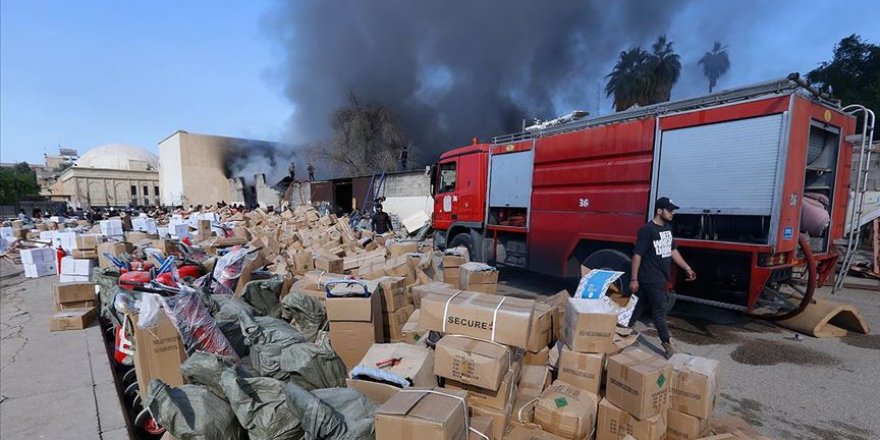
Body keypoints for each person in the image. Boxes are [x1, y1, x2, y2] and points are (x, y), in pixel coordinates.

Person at [628, 197, 696, 357]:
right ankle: (668, 346)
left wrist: (687, 267)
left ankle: (621, 330)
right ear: (659, 211)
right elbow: (637, 255)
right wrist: (634, 279)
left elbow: (672, 251)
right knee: (660, 312)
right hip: (651, 277)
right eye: (670, 210)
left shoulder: (667, 228)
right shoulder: (647, 230)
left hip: (660, 276)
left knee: (638, 306)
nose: (673, 213)